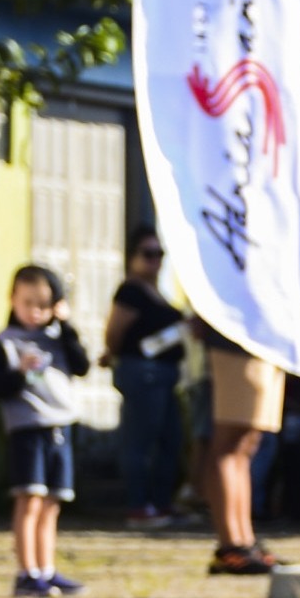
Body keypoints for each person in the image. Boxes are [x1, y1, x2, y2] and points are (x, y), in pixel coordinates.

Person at [0, 266, 91, 598]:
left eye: (43, 304)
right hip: (27, 429)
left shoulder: (58, 339)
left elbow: (82, 365)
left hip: (60, 428)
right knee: (29, 500)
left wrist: (67, 324)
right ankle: (26, 573)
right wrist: (19, 373)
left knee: (51, 503)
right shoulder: (5, 342)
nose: (35, 311)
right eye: (27, 302)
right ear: (12, 299)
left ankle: (47, 569)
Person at [100, 225, 186, 529]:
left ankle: (160, 502)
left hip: (164, 374)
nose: (155, 261)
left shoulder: (157, 292)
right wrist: (113, 354)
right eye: (148, 254)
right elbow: (114, 330)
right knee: (139, 440)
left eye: (159, 254)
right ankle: (138, 505)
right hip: (142, 372)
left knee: (169, 439)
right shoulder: (131, 291)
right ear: (133, 257)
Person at [200, 322, 288, 575]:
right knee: (229, 444)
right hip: (239, 338)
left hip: (267, 341)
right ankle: (231, 545)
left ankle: (245, 540)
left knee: (248, 443)